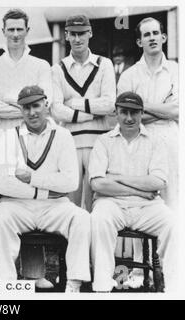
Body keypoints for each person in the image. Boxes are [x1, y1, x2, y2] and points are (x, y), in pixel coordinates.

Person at [0, 85, 91, 293]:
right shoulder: (9, 137)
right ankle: (5, 286)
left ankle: (73, 284)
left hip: (54, 206)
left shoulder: (63, 135)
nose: (32, 112)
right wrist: (47, 188)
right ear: (20, 110)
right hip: (18, 205)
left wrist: (32, 178)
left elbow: (71, 182)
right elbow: (4, 184)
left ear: (46, 104)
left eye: (36, 105)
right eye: (26, 108)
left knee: (81, 218)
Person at [89, 91, 178, 292]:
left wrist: (117, 178)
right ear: (116, 113)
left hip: (147, 206)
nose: (129, 118)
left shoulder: (155, 142)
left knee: (174, 225)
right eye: (124, 112)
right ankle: (102, 287)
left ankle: (176, 288)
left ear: (142, 113)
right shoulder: (104, 141)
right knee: (99, 219)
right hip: (111, 203)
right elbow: (98, 185)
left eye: (134, 113)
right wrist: (140, 189)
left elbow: (158, 181)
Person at [51, 14, 116, 211]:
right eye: (73, 34)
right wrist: (89, 113)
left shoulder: (104, 64)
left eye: (82, 33)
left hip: (99, 142)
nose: (78, 39)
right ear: (66, 36)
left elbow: (109, 104)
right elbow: (56, 110)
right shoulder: (57, 69)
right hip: (69, 142)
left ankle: (95, 243)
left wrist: (76, 103)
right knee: (70, 202)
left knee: (97, 202)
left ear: (90, 33)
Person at [117, 17, 178, 212]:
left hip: (171, 141)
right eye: (146, 35)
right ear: (139, 42)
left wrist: (140, 106)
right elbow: (126, 116)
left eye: (155, 33)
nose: (152, 38)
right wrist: (164, 109)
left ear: (164, 37)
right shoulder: (129, 75)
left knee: (173, 200)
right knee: (142, 203)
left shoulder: (177, 71)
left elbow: (178, 110)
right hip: (139, 142)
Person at [0, 8, 53, 135]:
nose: (15, 34)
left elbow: (45, 103)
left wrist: (6, 98)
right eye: (11, 29)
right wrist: (30, 108)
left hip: (33, 136)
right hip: (0, 137)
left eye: (19, 29)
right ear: (3, 31)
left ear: (27, 31)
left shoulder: (42, 65)